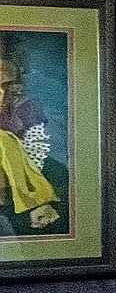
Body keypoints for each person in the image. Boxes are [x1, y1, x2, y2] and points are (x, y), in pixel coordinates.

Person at [0, 46, 63, 235]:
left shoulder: (26, 107)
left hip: (11, 180)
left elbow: (36, 150)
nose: (3, 93)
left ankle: (36, 203)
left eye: (7, 86)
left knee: (5, 139)